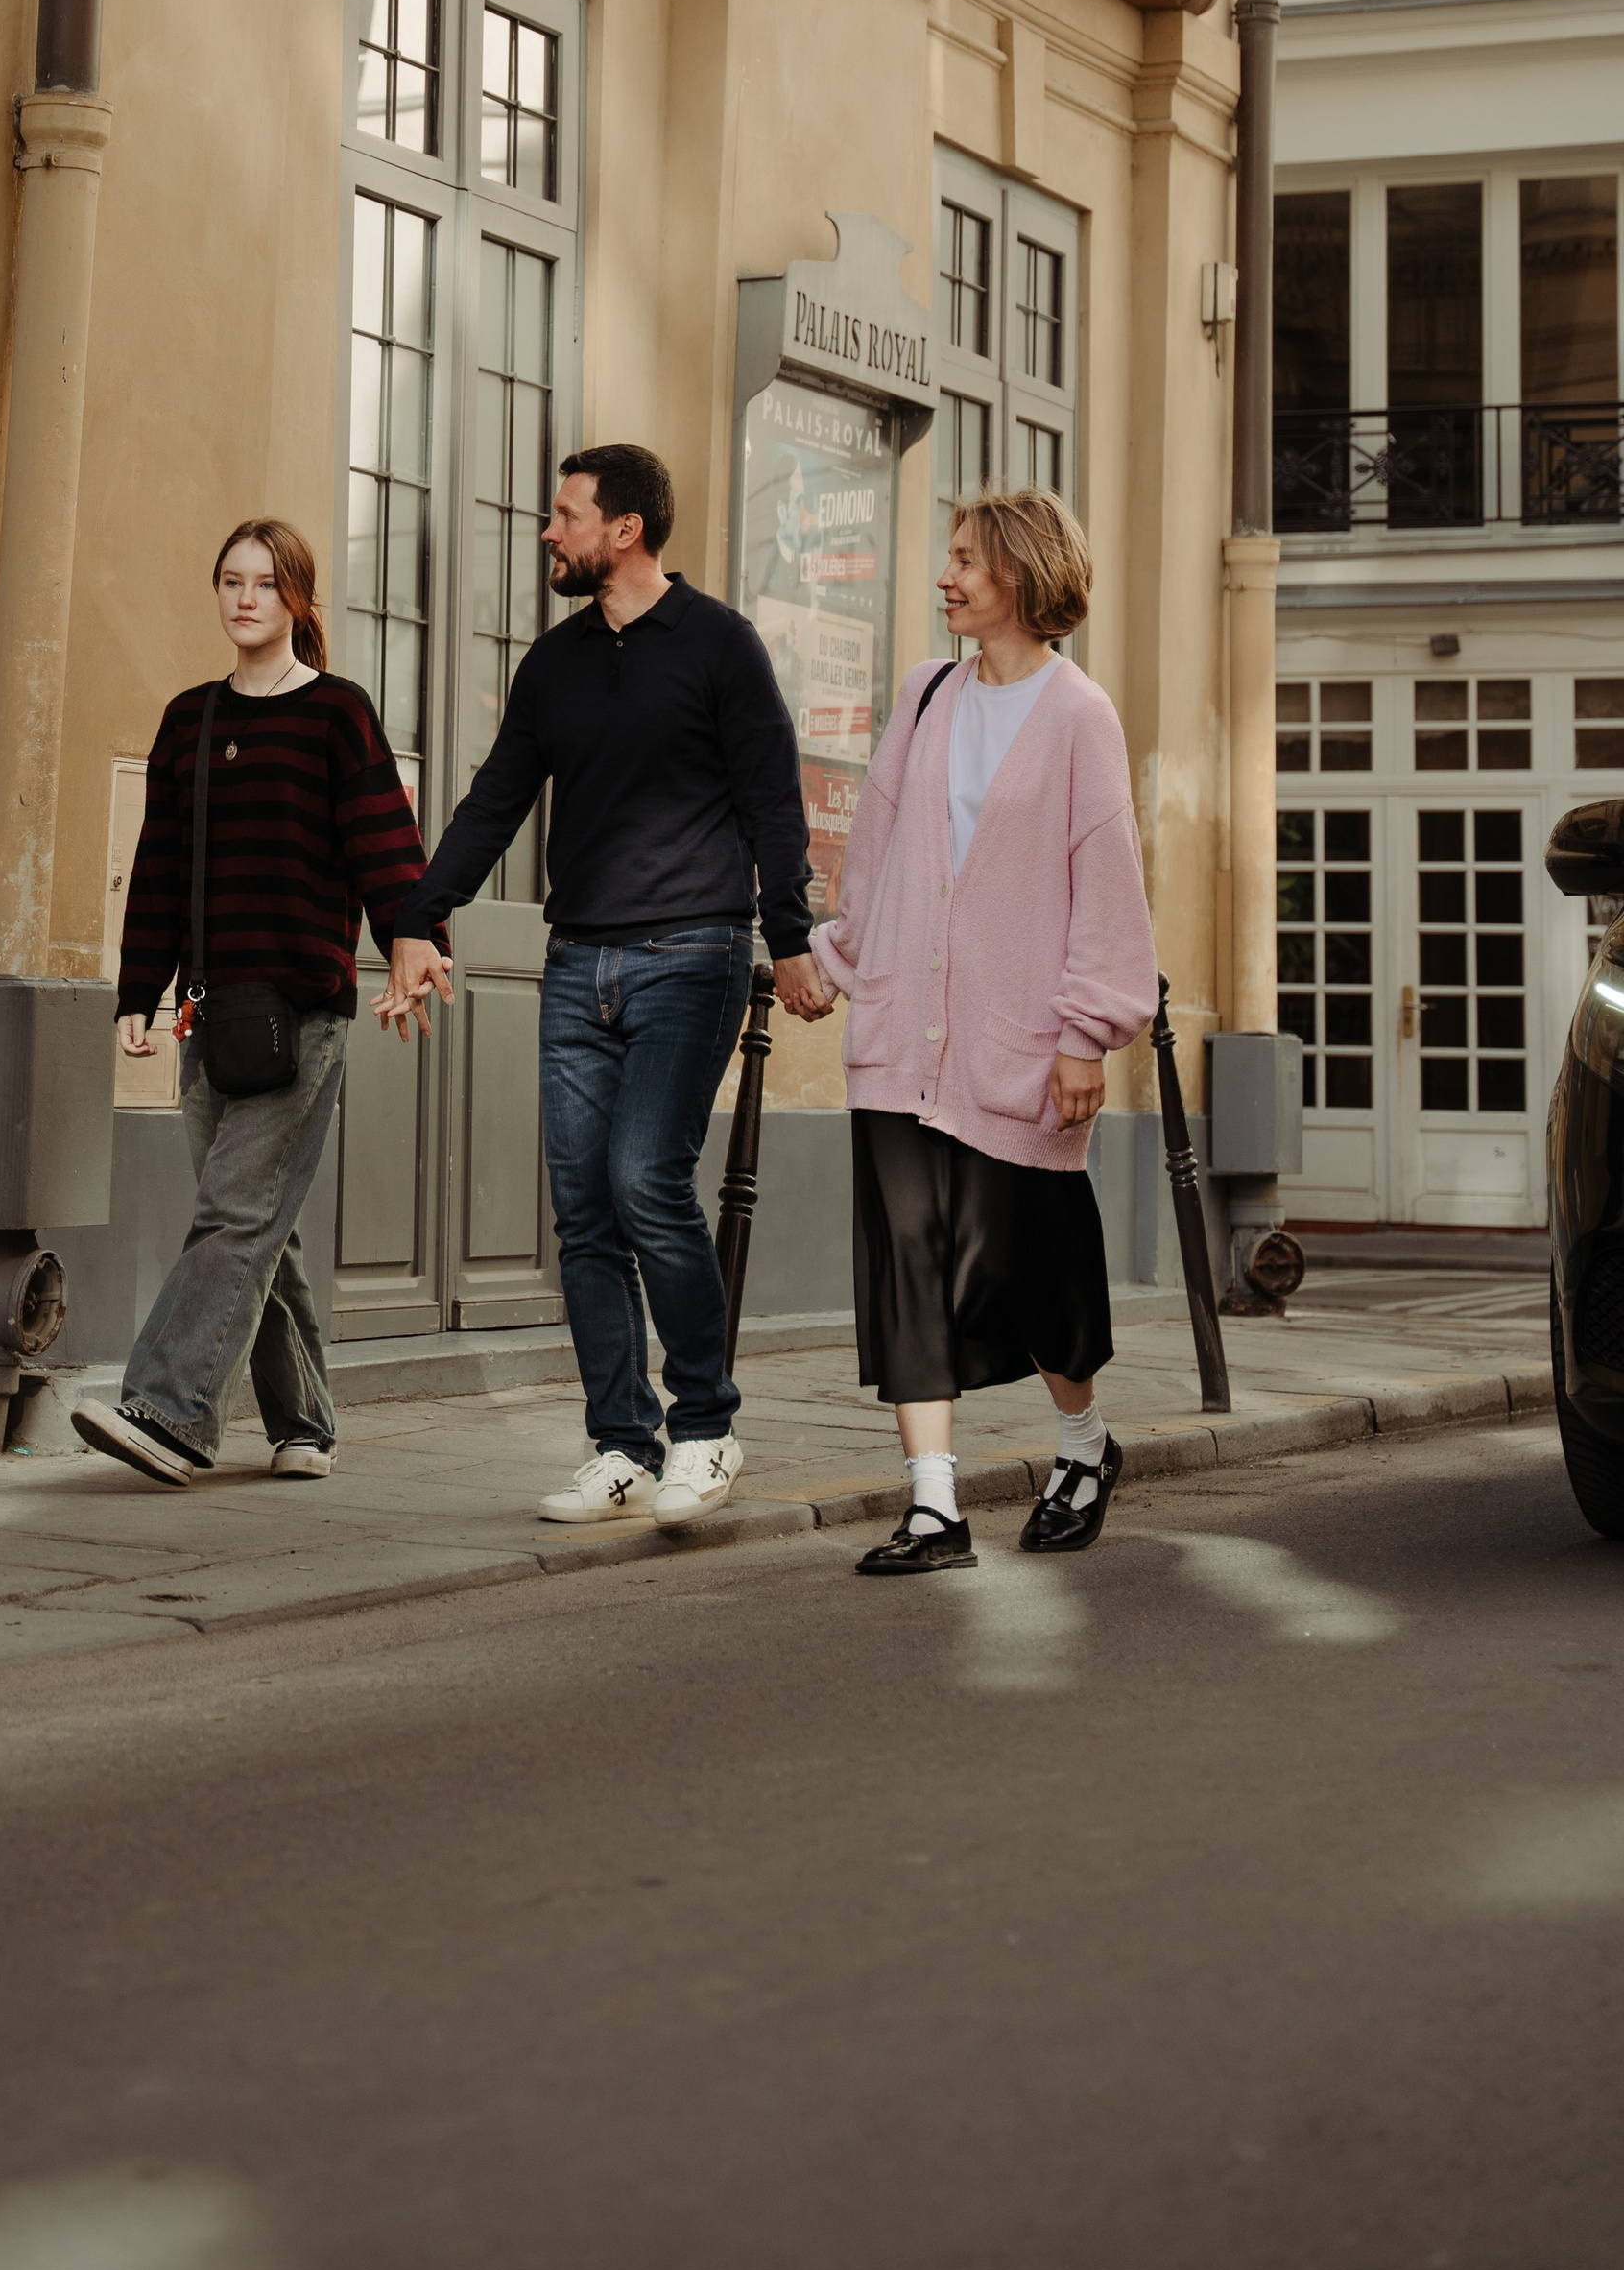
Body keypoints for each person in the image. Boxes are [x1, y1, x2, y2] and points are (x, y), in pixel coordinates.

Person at [378, 445, 820, 1529]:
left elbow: (772, 800)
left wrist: (793, 934)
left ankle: (707, 1428)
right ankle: (622, 1444)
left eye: (565, 515)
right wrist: (416, 914)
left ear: (622, 530)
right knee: (582, 1214)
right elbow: (494, 798)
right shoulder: (556, 662)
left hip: (692, 955)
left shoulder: (720, 645)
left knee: (644, 1183)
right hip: (575, 961)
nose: (547, 532)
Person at [792, 486, 1158, 1574]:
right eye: (947, 557)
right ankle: (933, 1508)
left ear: (1021, 575)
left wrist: (1085, 1032)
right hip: (904, 1036)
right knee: (907, 1265)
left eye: (963, 561)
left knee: (1036, 1273)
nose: (944, 577)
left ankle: (1083, 1448)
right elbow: (877, 859)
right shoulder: (921, 696)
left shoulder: (1079, 712)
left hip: (1018, 1046)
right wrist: (836, 959)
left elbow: (1106, 881)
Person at [73, 518, 437, 1489]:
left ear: (297, 600)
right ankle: (305, 1419)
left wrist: (412, 943)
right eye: (230, 581)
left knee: (234, 1214)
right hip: (208, 1014)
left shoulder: (336, 714)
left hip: (303, 1012)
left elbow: (384, 850)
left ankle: (170, 1411)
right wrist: (135, 994)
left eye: (265, 584)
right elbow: (156, 869)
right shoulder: (186, 719)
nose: (244, 598)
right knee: (252, 1219)